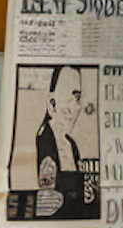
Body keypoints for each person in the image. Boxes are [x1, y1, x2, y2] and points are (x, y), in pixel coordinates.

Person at [35, 64, 98, 216]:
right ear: (52, 104)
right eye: (74, 98)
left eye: (78, 99)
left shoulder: (72, 145)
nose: (76, 108)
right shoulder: (44, 140)